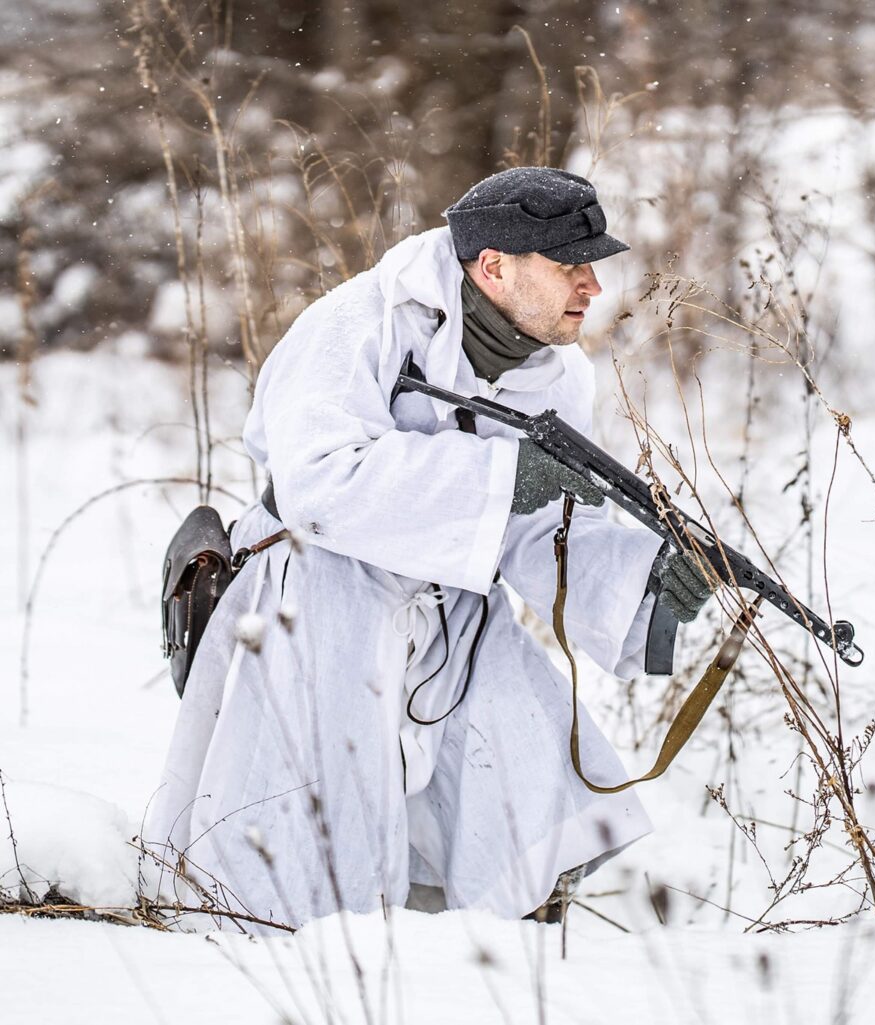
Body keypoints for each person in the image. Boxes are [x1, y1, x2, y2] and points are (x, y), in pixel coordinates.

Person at [141, 167, 714, 931]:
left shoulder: (559, 373)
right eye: (570, 265)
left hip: (449, 606)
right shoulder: (358, 323)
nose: (593, 285)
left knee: (521, 754)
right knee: (306, 837)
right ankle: (285, 954)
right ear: (495, 266)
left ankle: (496, 948)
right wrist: (500, 475)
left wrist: (645, 582)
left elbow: (539, 528)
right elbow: (317, 483)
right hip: (314, 593)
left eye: (592, 264)